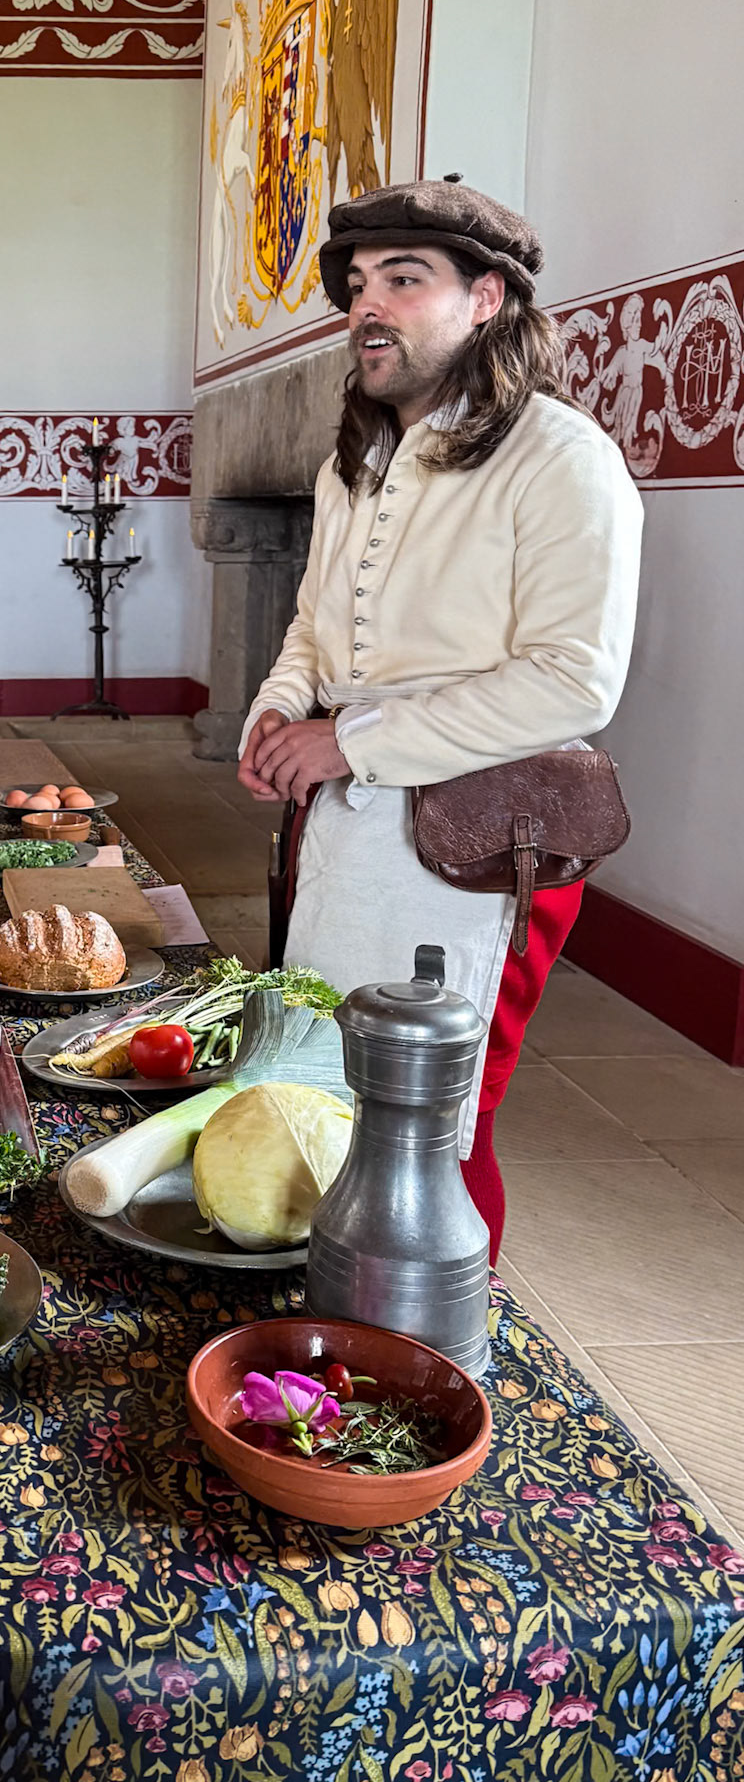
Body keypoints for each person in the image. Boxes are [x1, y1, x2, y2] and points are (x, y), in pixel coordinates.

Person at [236, 176, 644, 1260]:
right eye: (360, 284)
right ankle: (324, 1314)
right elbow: (315, 620)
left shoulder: (564, 459)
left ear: (488, 299)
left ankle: (434, 1357)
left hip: (482, 841)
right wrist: (280, 708)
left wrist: (349, 738)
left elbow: (574, 680)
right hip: (345, 824)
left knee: (434, 1128)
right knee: (317, 1079)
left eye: (405, 280)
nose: (370, 305)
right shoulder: (352, 460)